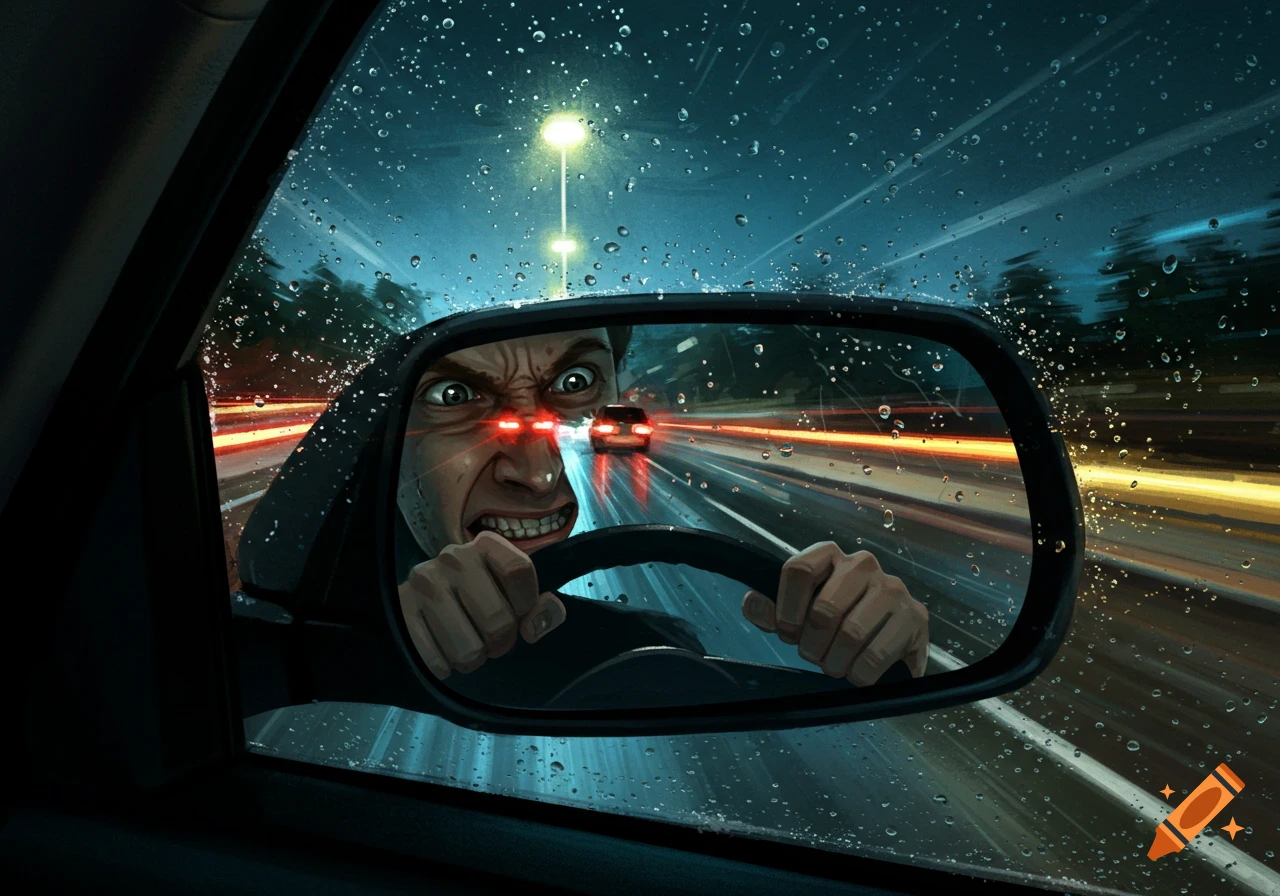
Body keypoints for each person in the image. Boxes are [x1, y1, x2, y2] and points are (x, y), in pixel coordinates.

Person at [395, 325, 929, 708]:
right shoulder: (357, 618)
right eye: (454, 395)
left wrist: (879, 635)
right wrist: (390, 634)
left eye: (576, 382)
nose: (538, 475)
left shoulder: (630, 641)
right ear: (386, 443)